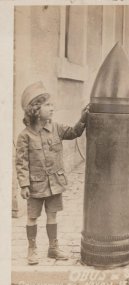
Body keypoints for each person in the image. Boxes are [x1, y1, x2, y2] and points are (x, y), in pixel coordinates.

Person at [16, 81, 89, 265]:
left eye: (52, 104)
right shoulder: (25, 136)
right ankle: (32, 249)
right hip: (35, 184)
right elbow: (21, 162)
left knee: (52, 215)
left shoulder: (56, 128)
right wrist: (24, 184)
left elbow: (73, 132)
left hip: (55, 183)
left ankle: (53, 248)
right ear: (35, 109)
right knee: (32, 217)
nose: (52, 108)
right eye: (47, 105)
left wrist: (83, 119)